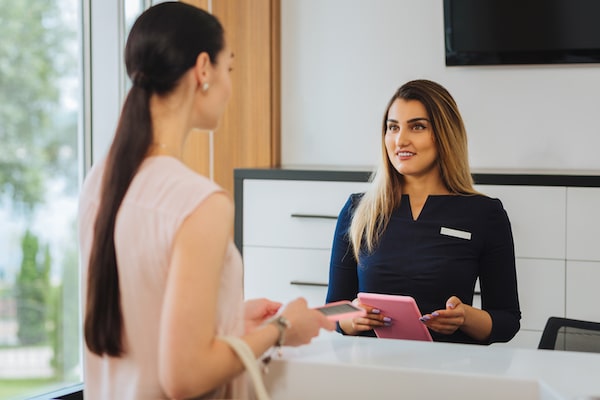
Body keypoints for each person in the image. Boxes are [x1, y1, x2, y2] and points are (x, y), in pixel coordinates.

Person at [78, 3, 334, 399]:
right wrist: (282, 329)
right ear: (203, 69)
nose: (230, 86)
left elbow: (141, 319)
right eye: (228, 68)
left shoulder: (100, 180)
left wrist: (227, 319)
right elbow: (185, 377)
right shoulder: (199, 202)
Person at [325, 79, 521, 345]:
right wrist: (351, 319)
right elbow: (332, 311)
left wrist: (466, 317)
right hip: (373, 371)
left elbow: (507, 321)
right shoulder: (357, 210)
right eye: (392, 127)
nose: (400, 139)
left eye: (417, 127)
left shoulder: (486, 213)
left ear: (444, 134)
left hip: (450, 371)